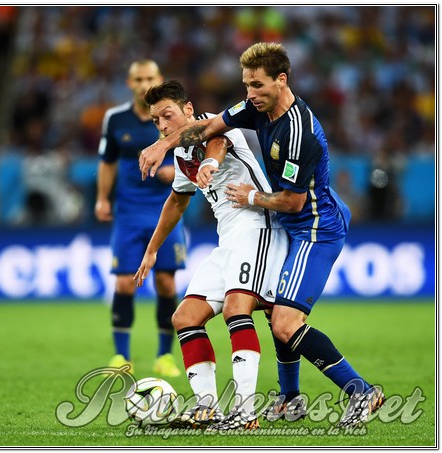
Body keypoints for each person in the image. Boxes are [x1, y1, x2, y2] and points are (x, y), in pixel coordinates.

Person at [139, 42, 384, 428]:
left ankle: (358, 392)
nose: (249, 93)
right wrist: (163, 144)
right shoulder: (255, 108)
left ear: (281, 80)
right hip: (266, 227)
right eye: (246, 85)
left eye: (256, 85)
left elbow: (289, 198)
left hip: (312, 226)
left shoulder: (299, 133)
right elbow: (213, 129)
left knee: (279, 319)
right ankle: (278, 400)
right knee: (223, 315)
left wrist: (247, 192)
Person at [133, 80, 289, 430]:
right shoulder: (181, 154)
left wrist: (210, 164)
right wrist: (152, 250)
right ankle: (208, 410)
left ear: (188, 109)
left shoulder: (213, 123)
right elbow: (177, 201)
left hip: (257, 226)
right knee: (185, 317)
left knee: (237, 309)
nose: (162, 125)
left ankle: (245, 413)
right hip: (228, 240)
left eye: (167, 115)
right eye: (156, 120)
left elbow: (218, 142)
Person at [95, 59, 185, 378]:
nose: (144, 84)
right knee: (124, 281)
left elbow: (194, 154)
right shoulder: (115, 118)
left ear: (160, 79)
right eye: (138, 79)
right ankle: (121, 355)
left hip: (167, 209)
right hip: (129, 211)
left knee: (166, 282)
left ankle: (165, 356)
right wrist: (102, 198)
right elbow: (107, 161)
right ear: (129, 82)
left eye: (149, 78)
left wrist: (176, 171)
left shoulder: (174, 117)